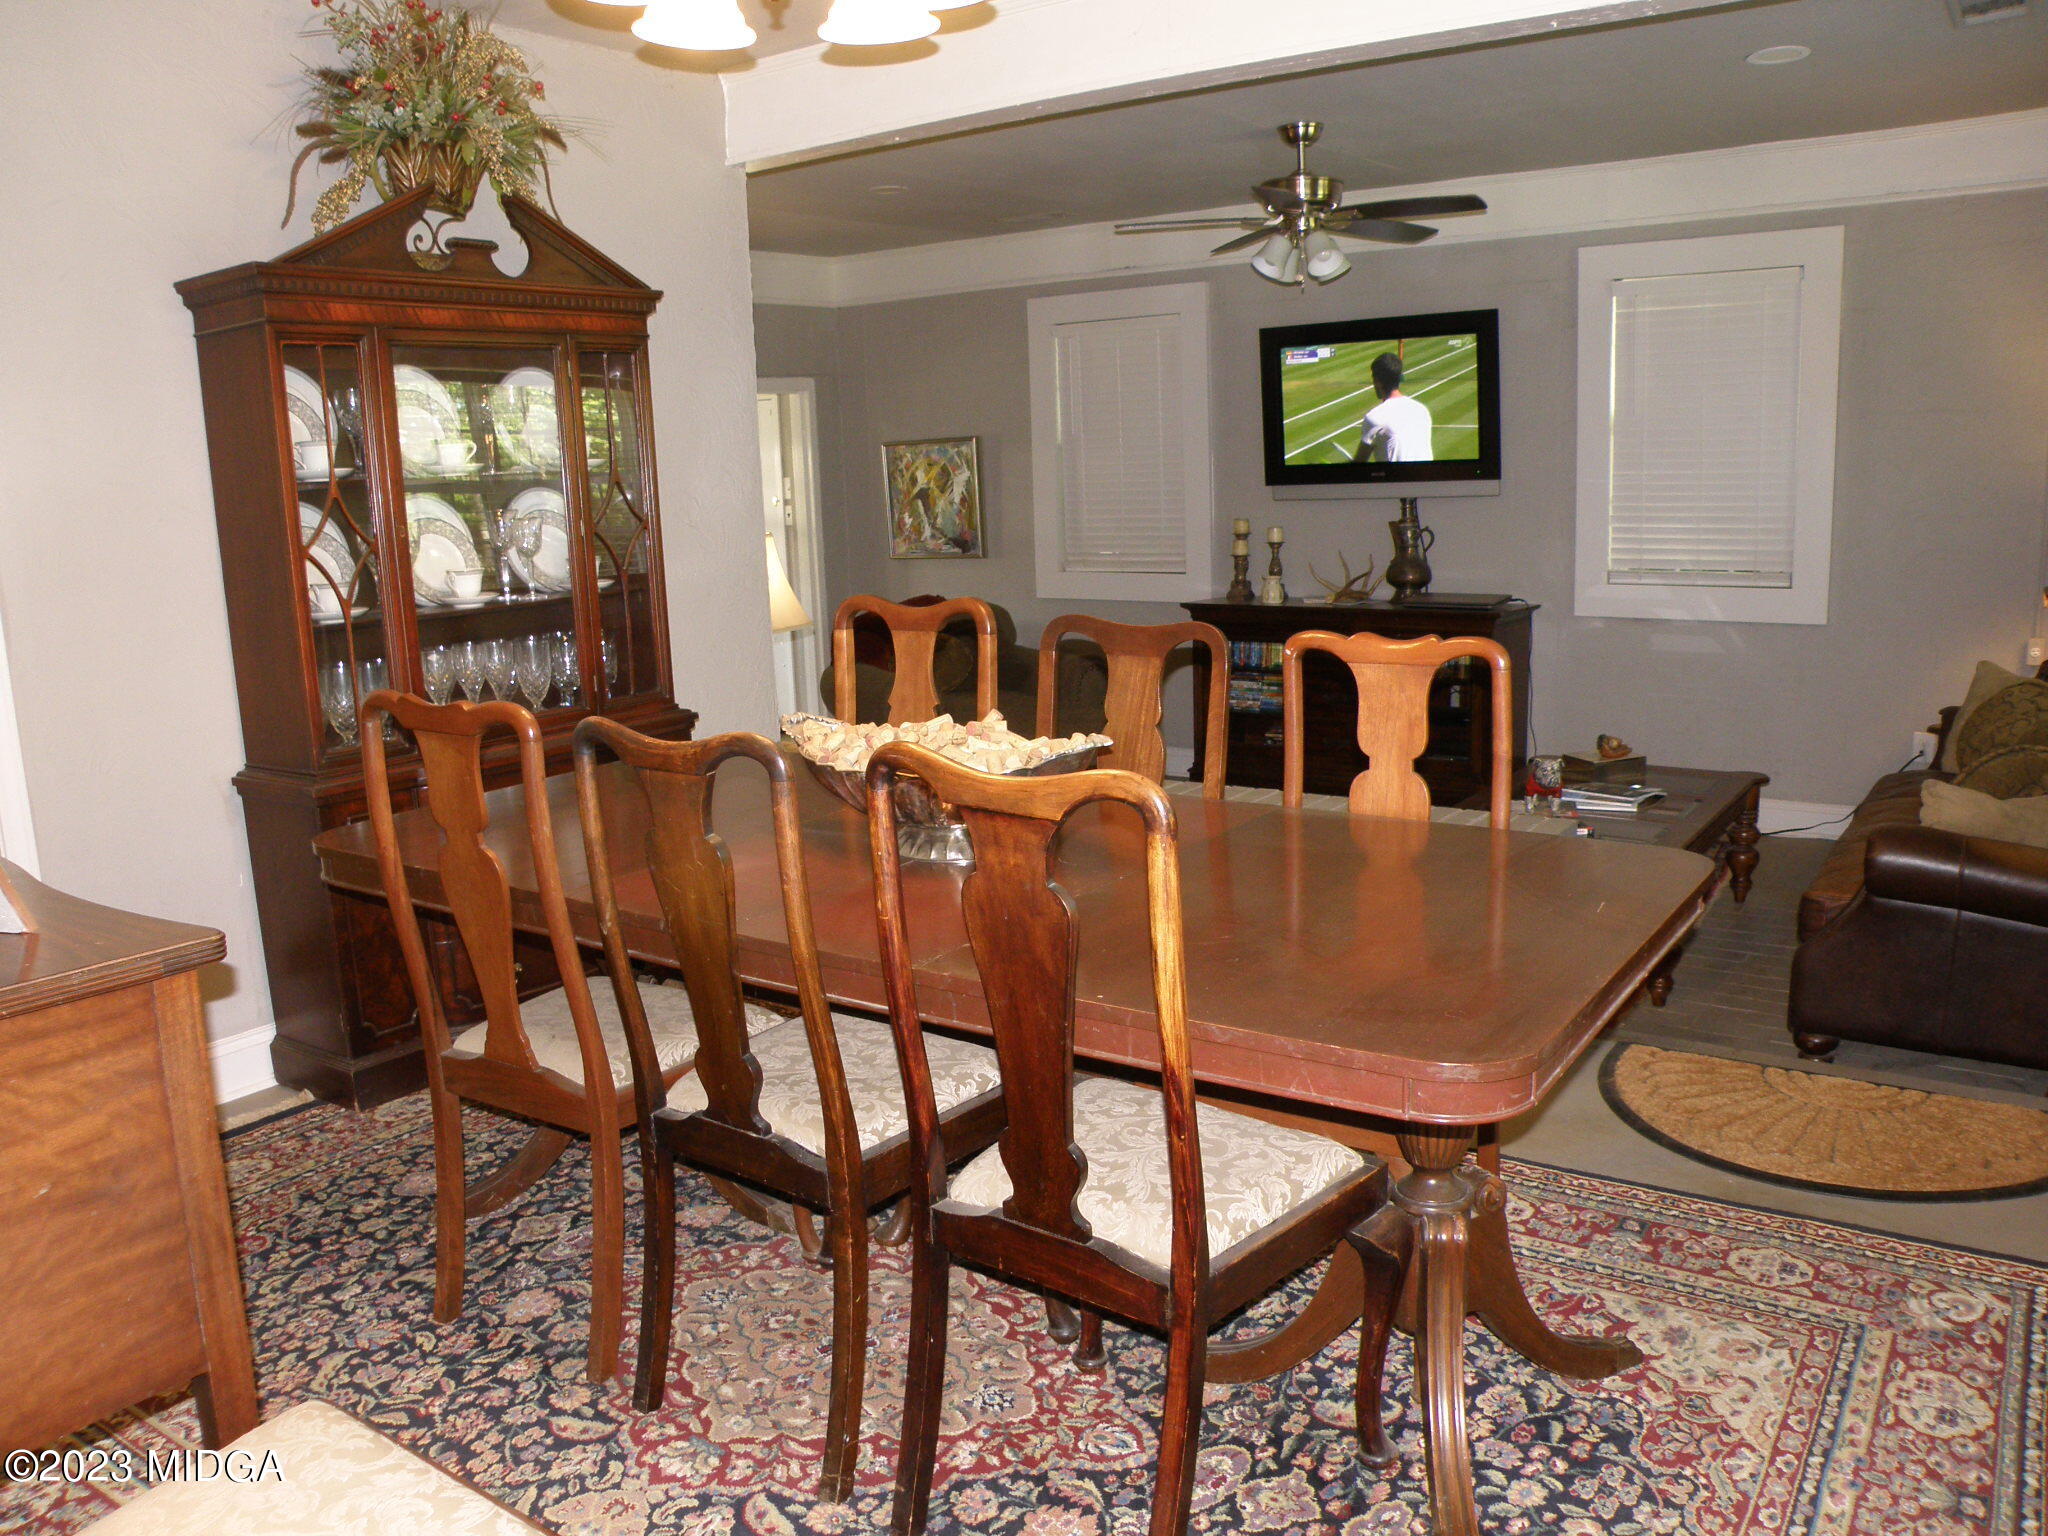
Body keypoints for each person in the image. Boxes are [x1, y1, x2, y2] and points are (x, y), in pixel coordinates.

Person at [1358, 351, 1434, 462]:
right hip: (1427, 477)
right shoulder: (1422, 410)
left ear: (1377, 381)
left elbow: (1358, 463)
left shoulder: (1374, 417)